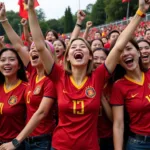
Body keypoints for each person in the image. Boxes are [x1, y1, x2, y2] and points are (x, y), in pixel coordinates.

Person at [27, 0, 145, 149]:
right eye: (73, 47)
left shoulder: (99, 75)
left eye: (83, 46)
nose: (78, 48)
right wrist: (31, 9)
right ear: (68, 56)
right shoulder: (58, 75)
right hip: (60, 146)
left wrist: (140, 12)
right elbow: (40, 46)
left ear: (90, 55)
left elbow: (119, 46)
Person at [0, 3, 57, 150]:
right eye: (31, 49)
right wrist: (4, 20)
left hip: (43, 141)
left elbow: (41, 112)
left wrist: (15, 141)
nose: (32, 51)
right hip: (27, 140)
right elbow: (18, 46)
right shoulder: (32, 72)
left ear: (49, 55)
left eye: (37, 50)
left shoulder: (51, 80)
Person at [110, 2, 150, 150]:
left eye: (129, 48)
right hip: (138, 144)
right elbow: (118, 125)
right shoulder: (119, 86)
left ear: (138, 52)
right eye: (120, 52)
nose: (125, 53)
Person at [0, 48, 27, 150]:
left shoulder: (26, 88)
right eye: (2, 60)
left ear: (19, 65)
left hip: (17, 145)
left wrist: (15, 142)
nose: (7, 63)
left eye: (11, 59)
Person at [93, 48, 113, 150]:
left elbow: (114, 119)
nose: (98, 61)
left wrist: (100, 96)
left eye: (102, 58)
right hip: (88, 139)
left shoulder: (113, 85)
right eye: (95, 58)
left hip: (108, 138)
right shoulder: (83, 82)